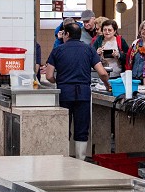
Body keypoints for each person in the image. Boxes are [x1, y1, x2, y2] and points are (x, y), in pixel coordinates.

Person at [42, 22, 111, 160]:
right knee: (81, 130)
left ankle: (63, 159)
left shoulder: (58, 50)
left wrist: (58, 81)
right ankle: (80, 161)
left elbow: (49, 75)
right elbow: (103, 73)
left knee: (63, 128)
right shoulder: (89, 49)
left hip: (64, 93)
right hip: (83, 94)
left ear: (67, 34)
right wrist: (107, 85)